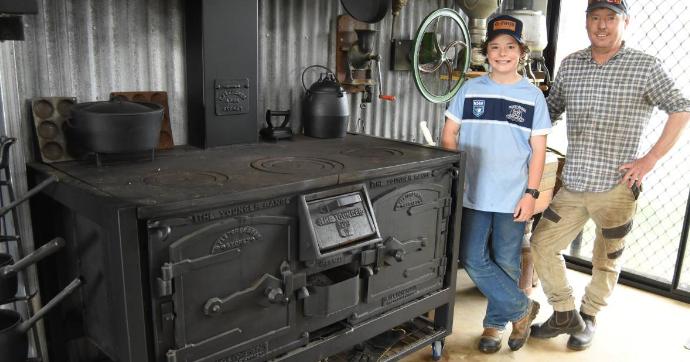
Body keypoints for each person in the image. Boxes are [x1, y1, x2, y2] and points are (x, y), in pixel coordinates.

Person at [530, 0, 690, 351]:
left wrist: (649, 160)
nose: (601, 25)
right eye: (595, 17)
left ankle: (588, 317)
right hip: (574, 183)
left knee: (607, 257)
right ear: (587, 22)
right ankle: (563, 312)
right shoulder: (571, 64)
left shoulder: (645, 67)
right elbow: (549, 112)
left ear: (625, 22)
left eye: (610, 18)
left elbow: (681, 107)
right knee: (542, 245)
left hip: (618, 186)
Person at [441, 14, 552, 353]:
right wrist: (457, 175)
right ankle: (522, 308)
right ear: (485, 52)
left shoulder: (532, 96)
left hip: (513, 196)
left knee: (506, 260)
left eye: (510, 47)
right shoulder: (470, 89)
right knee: (472, 258)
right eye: (495, 47)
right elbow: (449, 135)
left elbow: (538, 151)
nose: (502, 53)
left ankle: (494, 325)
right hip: (474, 193)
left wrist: (531, 194)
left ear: (522, 52)